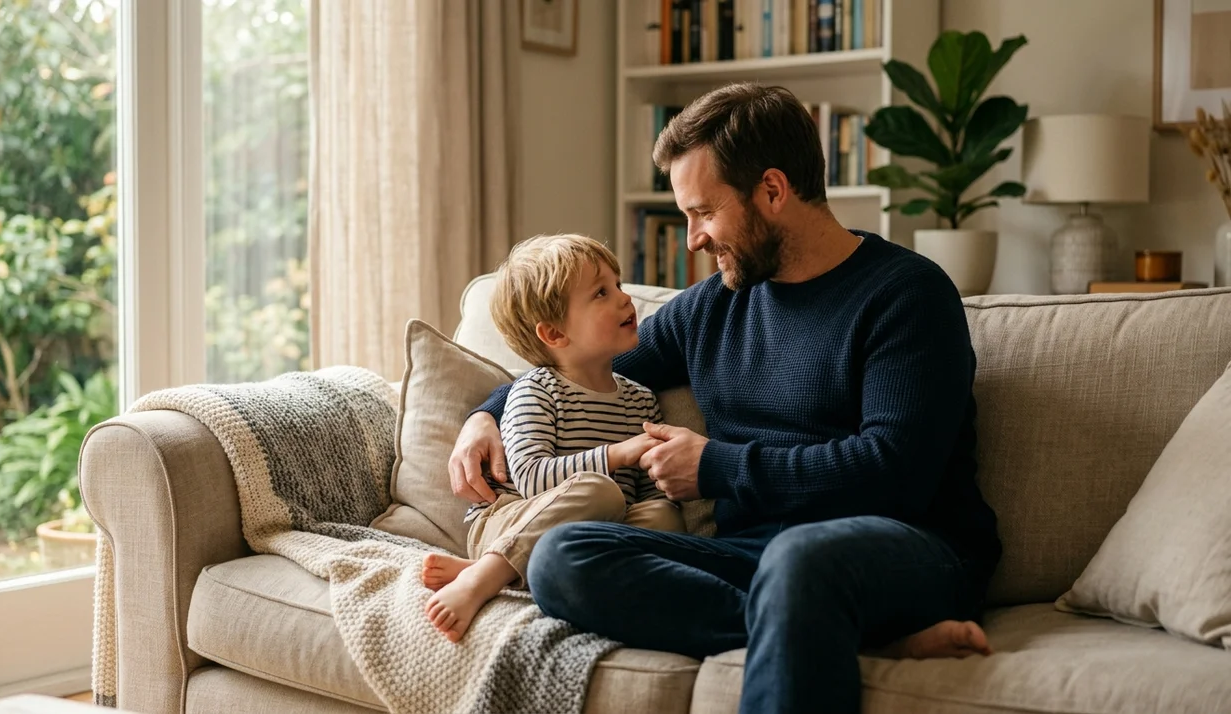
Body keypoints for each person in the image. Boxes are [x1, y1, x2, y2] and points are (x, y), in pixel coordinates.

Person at [449, 82, 1003, 712]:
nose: (692, 240)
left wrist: (716, 465)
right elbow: (575, 364)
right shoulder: (712, 308)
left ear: (772, 191)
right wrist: (485, 416)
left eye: (704, 213)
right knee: (562, 556)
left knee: (801, 561)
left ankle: (829, 621)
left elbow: (895, 474)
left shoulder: (908, 295)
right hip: (751, 557)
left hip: (909, 549)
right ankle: (860, 641)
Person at [424, 234, 687, 642]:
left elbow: (643, 493)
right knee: (600, 491)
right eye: (602, 292)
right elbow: (530, 478)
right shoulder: (536, 391)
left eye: (618, 284)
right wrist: (618, 455)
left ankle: (514, 573)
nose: (623, 298)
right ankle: (485, 575)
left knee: (663, 515)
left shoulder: (640, 399)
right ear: (554, 334)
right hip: (511, 519)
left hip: (594, 532)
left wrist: (659, 497)